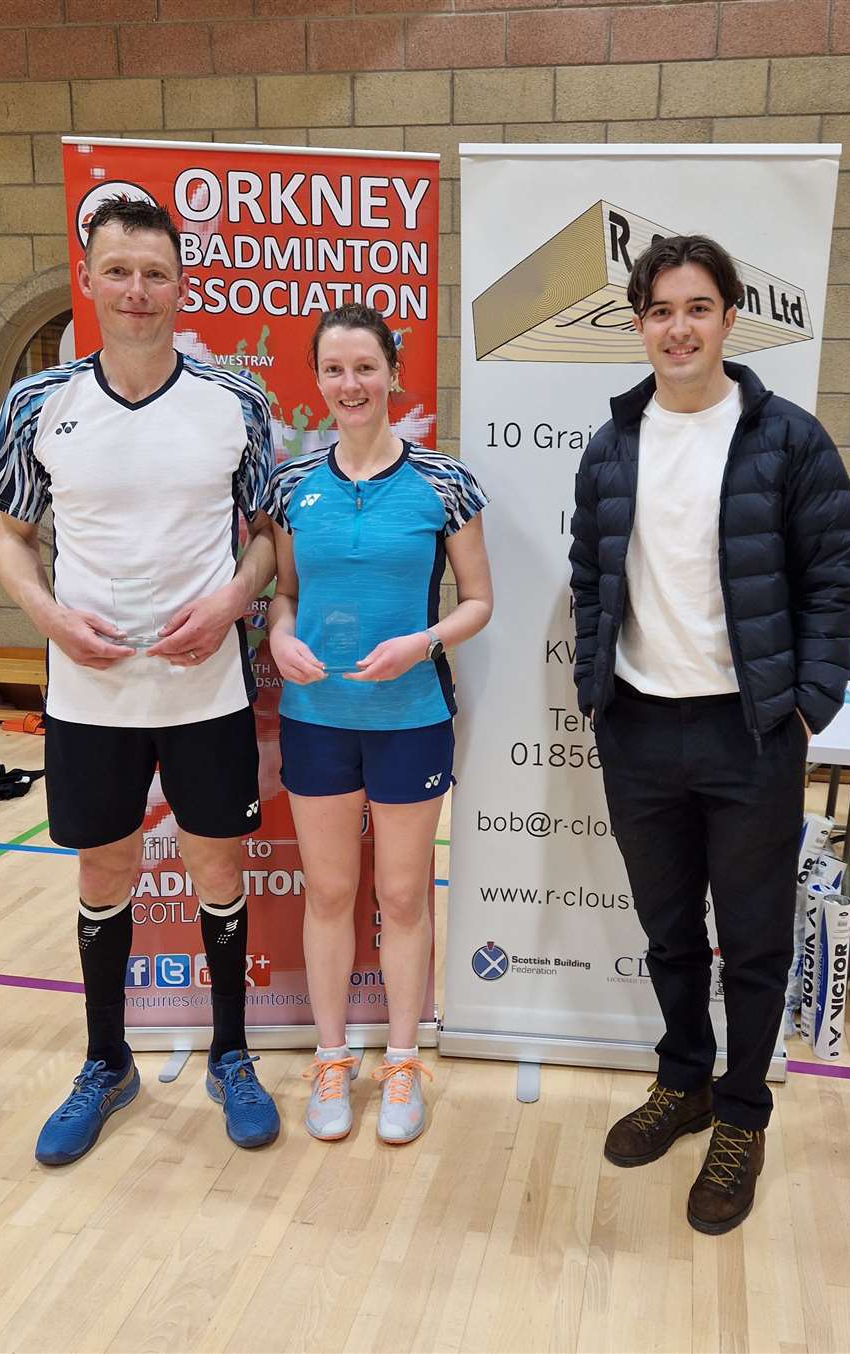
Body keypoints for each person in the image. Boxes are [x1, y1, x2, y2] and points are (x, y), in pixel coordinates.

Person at [0, 196, 280, 1164]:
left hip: (206, 690)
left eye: (156, 272)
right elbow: (11, 539)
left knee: (217, 867)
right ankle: (107, 1061)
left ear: (180, 282)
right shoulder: (39, 405)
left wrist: (234, 602)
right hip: (89, 692)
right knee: (104, 869)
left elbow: (268, 536)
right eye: (119, 271)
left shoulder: (235, 403)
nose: (138, 290)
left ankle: (232, 1052)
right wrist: (52, 619)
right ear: (90, 278)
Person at [569, 234, 850, 1234]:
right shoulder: (613, 445)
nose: (678, 327)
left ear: (730, 317)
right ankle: (683, 1080)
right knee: (666, 936)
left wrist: (809, 698)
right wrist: (593, 690)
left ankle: (742, 1112)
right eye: (660, 310)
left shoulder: (788, 439)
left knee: (752, 945)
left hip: (752, 736)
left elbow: (832, 575)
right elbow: (588, 574)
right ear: (639, 323)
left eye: (698, 307)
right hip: (641, 729)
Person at [267, 304, 492, 1145]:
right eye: (334, 370)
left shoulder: (444, 484)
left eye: (366, 367)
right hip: (317, 717)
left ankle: (402, 1061)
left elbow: (479, 601)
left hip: (411, 717)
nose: (351, 385)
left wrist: (421, 642)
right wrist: (280, 632)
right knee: (329, 892)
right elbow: (284, 591)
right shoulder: (293, 485)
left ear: (393, 374)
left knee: (401, 895)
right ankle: (333, 1057)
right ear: (317, 380)